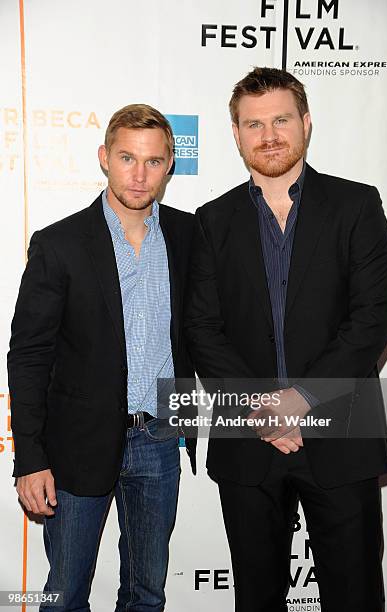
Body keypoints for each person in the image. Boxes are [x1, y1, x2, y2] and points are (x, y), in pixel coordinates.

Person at [185, 67, 387, 612]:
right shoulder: (211, 221)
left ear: (305, 123)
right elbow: (203, 330)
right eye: (254, 124)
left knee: (355, 597)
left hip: (341, 434)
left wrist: (299, 401)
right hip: (249, 442)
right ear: (236, 134)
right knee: (256, 599)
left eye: (281, 119)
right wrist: (263, 409)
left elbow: (373, 320)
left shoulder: (356, 206)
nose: (269, 134)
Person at [8, 103, 196, 612]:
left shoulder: (187, 235)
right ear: (104, 158)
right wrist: (30, 458)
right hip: (76, 443)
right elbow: (28, 355)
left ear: (169, 165)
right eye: (128, 158)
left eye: (154, 161)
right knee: (65, 595)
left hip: (159, 437)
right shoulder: (59, 243)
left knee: (147, 593)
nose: (140, 174)